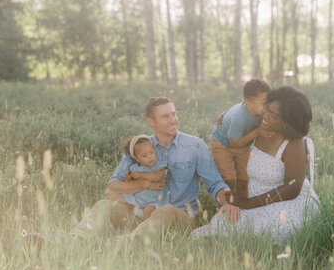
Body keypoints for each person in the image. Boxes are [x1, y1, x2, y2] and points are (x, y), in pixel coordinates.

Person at [70, 97, 240, 241]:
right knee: (103, 205)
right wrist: (146, 183)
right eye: (165, 116)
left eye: (173, 114)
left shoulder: (195, 146)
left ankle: (122, 244)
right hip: (142, 217)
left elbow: (215, 183)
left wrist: (227, 200)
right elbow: (112, 187)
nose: (173, 120)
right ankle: (75, 240)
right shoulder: (140, 147)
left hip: (178, 219)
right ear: (151, 122)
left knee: (167, 210)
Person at [191, 86, 320, 244]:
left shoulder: (295, 143)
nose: (265, 115)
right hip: (253, 194)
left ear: (287, 121)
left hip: (283, 199)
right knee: (224, 225)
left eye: (272, 114)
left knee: (277, 228)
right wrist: (229, 114)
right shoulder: (256, 123)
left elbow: (291, 189)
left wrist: (247, 204)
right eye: (266, 108)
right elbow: (244, 109)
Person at [210, 79, 272, 197]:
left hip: (243, 144)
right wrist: (257, 132)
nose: (267, 106)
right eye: (264, 103)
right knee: (229, 179)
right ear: (249, 104)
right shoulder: (239, 118)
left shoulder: (260, 110)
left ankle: (243, 204)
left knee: (244, 178)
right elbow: (234, 143)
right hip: (223, 144)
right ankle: (227, 204)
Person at [110, 134, 168, 220]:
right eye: (144, 155)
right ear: (136, 158)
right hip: (138, 202)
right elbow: (130, 187)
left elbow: (158, 177)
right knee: (113, 198)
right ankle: (134, 217)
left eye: (151, 152)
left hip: (153, 201)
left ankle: (145, 229)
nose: (150, 157)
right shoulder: (134, 168)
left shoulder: (158, 166)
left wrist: (141, 175)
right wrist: (128, 180)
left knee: (148, 211)